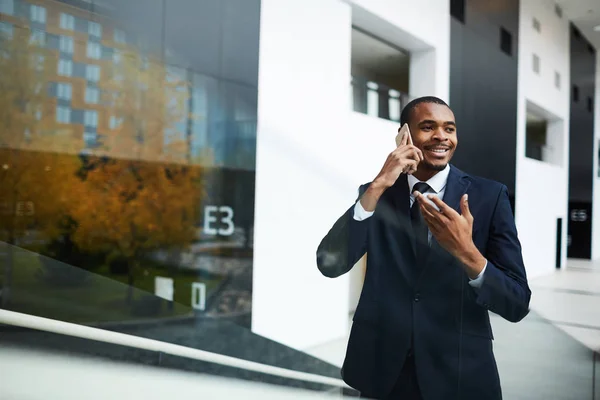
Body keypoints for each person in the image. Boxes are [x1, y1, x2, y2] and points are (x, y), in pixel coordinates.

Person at [316, 96, 531, 399]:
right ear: (404, 135)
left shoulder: (489, 196)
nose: (441, 136)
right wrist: (378, 184)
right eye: (428, 127)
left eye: (449, 129)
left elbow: (517, 302)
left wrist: (467, 252)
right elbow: (329, 263)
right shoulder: (376, 194)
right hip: (382, 372)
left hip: (460, 374)